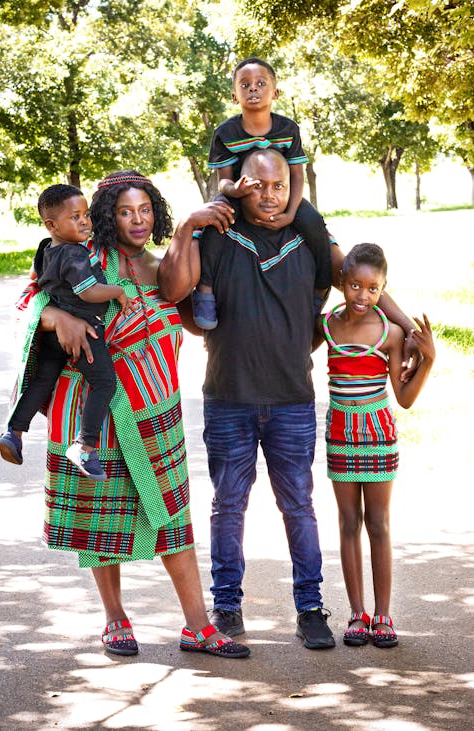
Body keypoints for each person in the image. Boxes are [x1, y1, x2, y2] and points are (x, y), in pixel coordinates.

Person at [158, 148, 421, 651]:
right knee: (228, 506)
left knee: (298, 506)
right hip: (229, 395)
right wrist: (191, 221)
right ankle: (227, 606)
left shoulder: (310, 239)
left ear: (293, 189)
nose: (270, 194)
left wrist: (407, 331)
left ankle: (309, 608)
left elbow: (362, 286)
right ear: (237, 185)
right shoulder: (217, 234)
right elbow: (174, 292)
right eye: (258, 184)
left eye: (280, 185)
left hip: (291, 400)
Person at [10, 170, 249, 659]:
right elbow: (28, 304)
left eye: (144, 210)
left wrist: (189, 229)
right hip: (92, 414)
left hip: (155, 410)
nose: (136, 221)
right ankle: (115, 618)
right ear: (107, 215)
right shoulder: (82, 258)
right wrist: (63, 317)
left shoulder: (164, 268)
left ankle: (198, 627)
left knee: (172, 519)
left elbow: (190, 312)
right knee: (101, 523)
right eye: (125, 211)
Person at [314, 243, 435, 648]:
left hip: (378, 434)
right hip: (340, 435)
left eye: (371, 288)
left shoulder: (391, 332)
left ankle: (383, 615)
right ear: (342, 284)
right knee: (348, 523)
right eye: (353, 286)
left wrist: (428, 362)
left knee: (378, 523)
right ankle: (356, 614)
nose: (362, 296)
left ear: (382, 289)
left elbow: (403, 397)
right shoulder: (327, 326)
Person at [0, 184, 137, 481]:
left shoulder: (45, 249)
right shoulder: (75, 254)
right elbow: (88, 292)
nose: (85, 221)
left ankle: (14, 431)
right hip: (84, 332)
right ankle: (85, 446)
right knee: (103, 382)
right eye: (76, 217)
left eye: (86, 215)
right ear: (52, 224)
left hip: (52, 335)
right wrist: (118, 292)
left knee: (42, 380)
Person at [192, 56, 332, 330]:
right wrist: (237, 190)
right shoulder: (226, 132)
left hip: (276, 192)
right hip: (238, 193)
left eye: (260, 83)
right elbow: (223, 182)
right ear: (235, 95)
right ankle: (205, 289)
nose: (253, 89)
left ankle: (321, 286)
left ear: (275, 92)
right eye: (245, 85)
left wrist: (291, 213)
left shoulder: (287, 129)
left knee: (315, 223)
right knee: (212, 226)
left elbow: (296, 173)